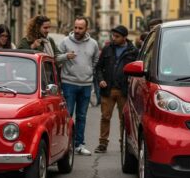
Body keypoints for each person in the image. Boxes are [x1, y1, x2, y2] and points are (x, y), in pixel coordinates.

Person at [57, 16, 99, 156]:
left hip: (86, 85)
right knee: (68, 115)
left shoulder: (93, 43)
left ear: (86, 29)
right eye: (75, 27)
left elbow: (95, 61)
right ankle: (66, 144)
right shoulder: (65, 42)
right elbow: (55, 58)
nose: (77, 30)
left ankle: (79, 144)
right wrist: (65, 57)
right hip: (69, 83)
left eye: (80, 28)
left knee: (82, 116)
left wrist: (89, 73)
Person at [94, 25, 138, 153]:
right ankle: (102, 144)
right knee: (105, 117)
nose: (114, 38)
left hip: (124, 91)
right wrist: (101, 80)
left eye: (117, 37)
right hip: (108, 89)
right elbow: (98, 67)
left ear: (125, 37)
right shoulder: (108, 49)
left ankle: (123, 143)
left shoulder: (133, 51)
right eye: (113, 36)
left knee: (123, 119)